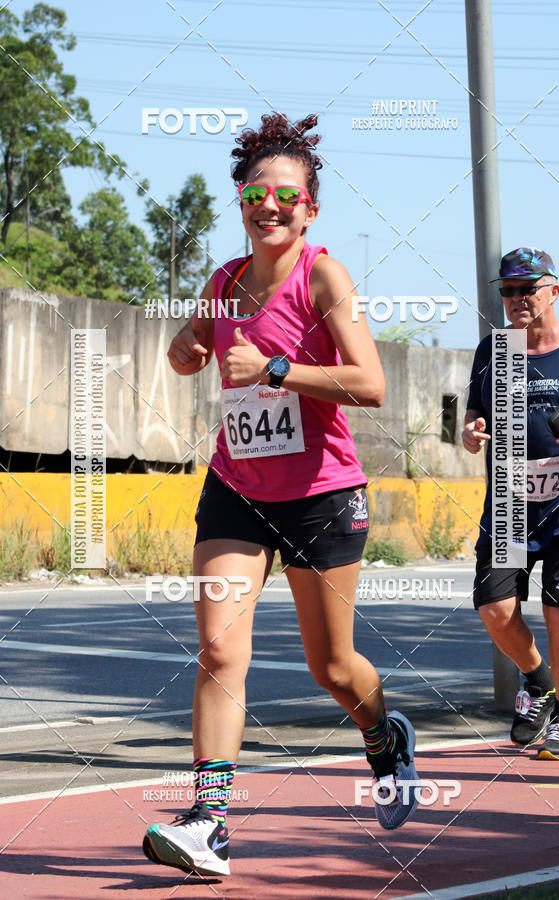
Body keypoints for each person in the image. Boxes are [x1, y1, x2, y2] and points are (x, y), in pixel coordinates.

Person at [142, 112, 420, 879]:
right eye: (255, 192)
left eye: (286, 196)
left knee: (331, 668)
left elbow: (370, 383)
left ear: (310, 210)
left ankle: (385, 737)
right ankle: (211, 822)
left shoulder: (324, 275)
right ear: (242, 200)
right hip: (237, 487)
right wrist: (188, 348)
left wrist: (274, 370)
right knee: (220, 647)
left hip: (322, 495)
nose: (269, 204)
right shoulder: (224, 282)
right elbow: (188, 356)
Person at [463, 247, 559, 761]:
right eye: (508, 291)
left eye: (527, 289)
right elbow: (478, 411)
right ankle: (539, 682)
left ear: (554, 291)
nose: (517, 299)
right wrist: (474, 430)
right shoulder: (493, 351)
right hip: (511, 502)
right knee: (495, 609)